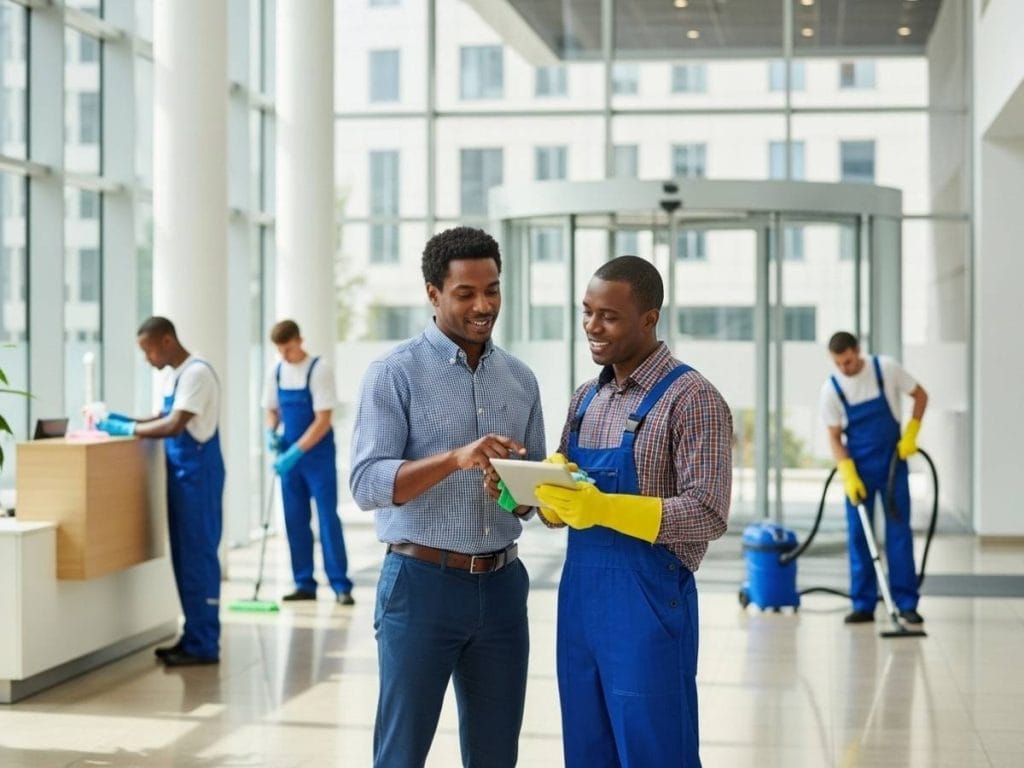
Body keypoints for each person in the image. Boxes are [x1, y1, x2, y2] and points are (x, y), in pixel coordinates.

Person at [350, 226, 546, 768]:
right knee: (402, 753)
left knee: (495, 754)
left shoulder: (521, 380)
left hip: (503, 588)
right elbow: (368, 484)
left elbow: (532, 500)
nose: (484, 305)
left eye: (493, 290)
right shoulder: (394, 373)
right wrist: (456, 459)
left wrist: (515, 495)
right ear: (433, 293)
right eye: (466, 293)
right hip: (421, 587)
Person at [534, 255, 733, 768]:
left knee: (654, 749)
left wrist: (603, 507)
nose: (592, 328)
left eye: (609, 316)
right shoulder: (585, 399)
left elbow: (708, 511)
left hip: (648, 607)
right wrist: (533, 494)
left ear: (649, 318)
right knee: (587, 746)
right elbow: (561, 512)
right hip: (580, 606)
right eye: (587, 312)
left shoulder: (693, 399)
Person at [96, 316, 225, 667]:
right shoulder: (176, 376)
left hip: (200, 476)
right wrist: (117, 420)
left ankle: (204, 643)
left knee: (199, 558)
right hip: (182, 477)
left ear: (167, 341)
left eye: (148, 350)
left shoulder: (197, 372)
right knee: (185, 559)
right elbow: (157, 417)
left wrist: (124, 427)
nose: (147, 358)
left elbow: (172, 425)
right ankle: (193, 636)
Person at [819, 330, 928, 625]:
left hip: (893, 463)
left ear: (858, 351)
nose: (845, 369)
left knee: (898, 533)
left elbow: (920, 395)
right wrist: (847, 472)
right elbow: (834, 436)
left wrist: (912, 432)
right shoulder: (832, 388)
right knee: (859, 536)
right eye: (839, 364)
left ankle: (906, 602)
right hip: (859, 471)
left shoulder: (886, 369)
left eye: (849, 362)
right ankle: (863, 604)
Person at [263, 319, 354, 605]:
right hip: (290, 456)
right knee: (294, 519)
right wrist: (270, 432)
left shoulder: (319, 370)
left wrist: (294, 453)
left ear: (299, 341)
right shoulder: (276, 372)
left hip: (317, 458)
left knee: (327, 519)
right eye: (281, 351)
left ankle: (340, 585)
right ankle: (304, 583)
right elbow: (272, 410)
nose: (285, 356)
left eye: (288, 349)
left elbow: (323, 421)